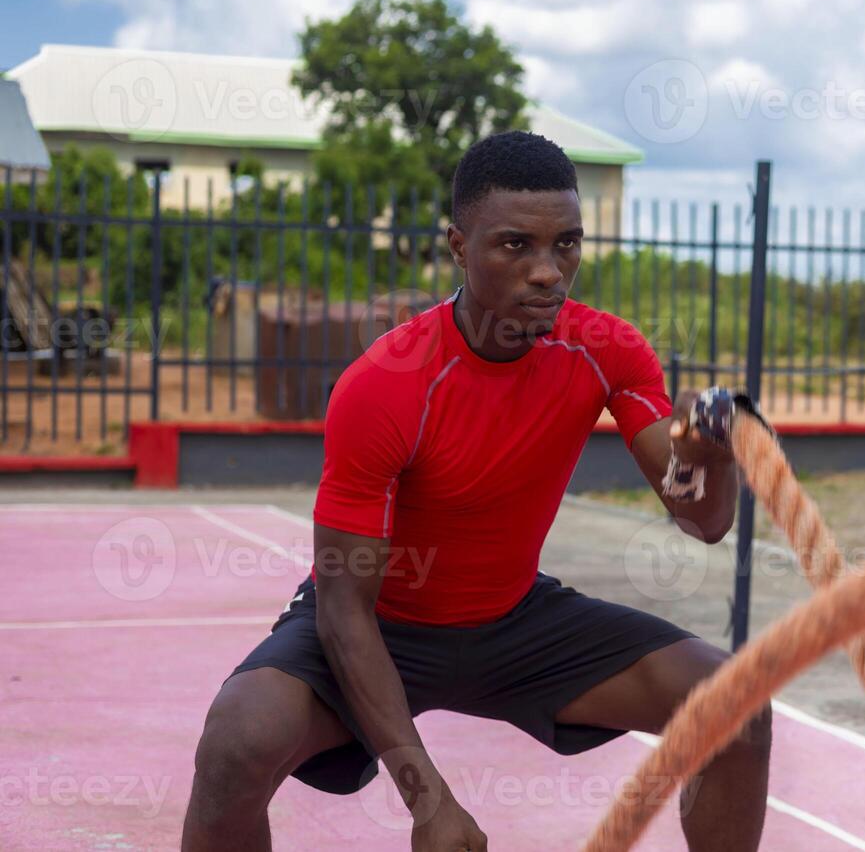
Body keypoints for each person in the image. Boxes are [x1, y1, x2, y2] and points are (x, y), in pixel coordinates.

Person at [182, 131, 770, 852]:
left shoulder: (607, 349)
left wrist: (708, 453)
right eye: (516, 246)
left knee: (737, 708)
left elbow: (702, 521)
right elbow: (341, 607)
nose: (549, 272)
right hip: (381, 624)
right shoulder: (387, 383)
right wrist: (427, 799)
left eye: (568, 246)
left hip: (513, 622)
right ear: (459, 248)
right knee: (236, 741)